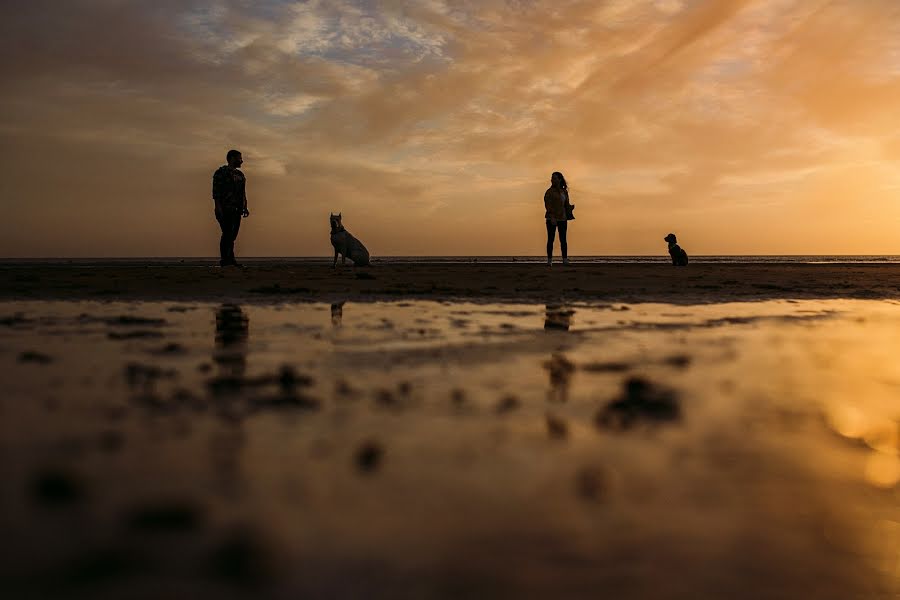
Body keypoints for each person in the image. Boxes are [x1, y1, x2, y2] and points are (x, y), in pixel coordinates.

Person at [212, 149, 250, 267]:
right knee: (227, 233)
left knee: (232, 235)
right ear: (232, 158)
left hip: (237, 209)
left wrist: (245, 206)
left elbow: (243, 192)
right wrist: (218, 207)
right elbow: (216, 192)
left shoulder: (240, 175)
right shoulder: (221, 172)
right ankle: (225, 260)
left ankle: (231, 259)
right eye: (239, 158)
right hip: (225, 208)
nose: (242, 161)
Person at [544, 171, 572, 266]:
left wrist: (570, 210)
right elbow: (548, 205)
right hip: (552, 218)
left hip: (563, 218)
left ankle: (564, 260)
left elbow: (566, 204)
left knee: (563, 240)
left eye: (554, 178)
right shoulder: (549, 192)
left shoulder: (564, 191)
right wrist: (552, 217)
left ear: (559, 179)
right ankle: (549, 261)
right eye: (552, 178)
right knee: (551, 239)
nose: (552, 180)